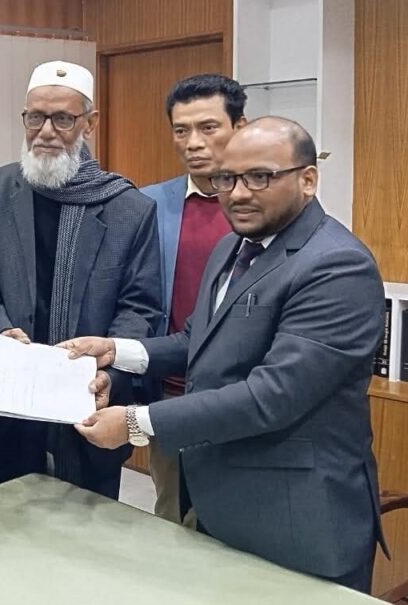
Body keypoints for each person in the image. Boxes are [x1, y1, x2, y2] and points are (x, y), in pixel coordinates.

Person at [68, 117, 385, 592]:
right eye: (226, 178)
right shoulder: (232, 248)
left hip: (298, 520)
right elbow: (198, 339)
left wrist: (136, 423)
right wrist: (116, 350)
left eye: (259, 177)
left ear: (308, 179)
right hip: (220, 501)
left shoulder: (337, 266)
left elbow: (272, 396)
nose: (237, 193)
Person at [0, 60, 161, 498]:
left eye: (63, 119)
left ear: (90, 123)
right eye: (35, 118)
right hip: (10, 398)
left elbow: (140, 308)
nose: (46, 132)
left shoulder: (128, 208)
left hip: (89, 396)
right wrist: (3, 331)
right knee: (6, 518)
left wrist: (106, 371)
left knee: (86, 526)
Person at [139, 74, 247, 524]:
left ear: (240, 126)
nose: (193, 143)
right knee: (171, 512)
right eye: (181, 130)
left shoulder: (263, 207)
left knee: (232, 520)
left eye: (208, 127)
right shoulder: (147, 204)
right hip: (170, 389)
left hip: (241, 393)